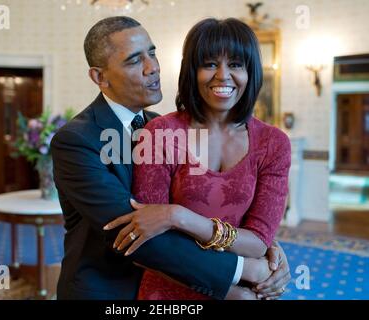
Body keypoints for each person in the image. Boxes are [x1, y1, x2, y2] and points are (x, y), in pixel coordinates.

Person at [52, 16, 290, 300]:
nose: (153, 68)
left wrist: (266, 246)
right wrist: (244, 271)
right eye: (134, 60)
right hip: (108, 290)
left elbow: (212, 210)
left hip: (177, 281)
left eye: (152, 53)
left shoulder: (160, 125)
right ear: (100, 77)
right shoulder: (77, 140)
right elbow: (139, 235)